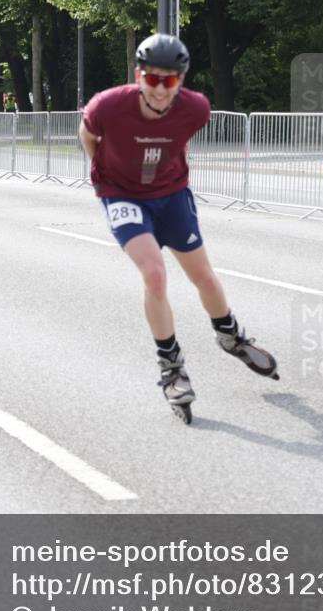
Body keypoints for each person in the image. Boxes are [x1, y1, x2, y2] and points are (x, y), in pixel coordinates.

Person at [79, 32, 279, 422]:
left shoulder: (196, 109)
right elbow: (88, 135)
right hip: (121, 194)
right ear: (139, 76)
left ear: (180, 81)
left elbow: (179, 141)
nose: (159, 89)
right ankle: (171, 367)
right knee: (154, 274)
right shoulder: (107, 106)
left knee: (202, 275)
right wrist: (104, 173)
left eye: (168, 81)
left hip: (170, 195)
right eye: (151, 79)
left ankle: (231, 335)